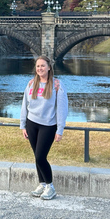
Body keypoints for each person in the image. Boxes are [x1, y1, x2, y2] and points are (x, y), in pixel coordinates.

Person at [20, 55, 68, 200]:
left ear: (49, 67)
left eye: (42, 66)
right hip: (32, 123)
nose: (40, 68)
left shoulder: (57, 85)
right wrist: (23, 125)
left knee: (41, 157)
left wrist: (60, 130)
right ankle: (42, 184)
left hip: (48, 125)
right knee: (37, 156)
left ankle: (50, 186)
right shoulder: (31, 84)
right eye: (38, 66)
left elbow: (62, 109)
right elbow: (24, 105)